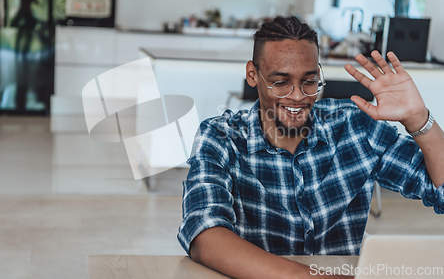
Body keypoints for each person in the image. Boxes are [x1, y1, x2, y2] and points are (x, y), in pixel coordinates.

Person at [177, 16, 444, 279]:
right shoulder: (221, 136)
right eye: (280, 82)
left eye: (309, 81)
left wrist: (419, 120)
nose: (297, 95)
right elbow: (205, 235)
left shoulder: (355, 127)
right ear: (252, 74)